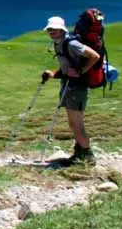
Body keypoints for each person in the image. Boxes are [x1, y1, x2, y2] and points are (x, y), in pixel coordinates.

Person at [41, 15, 102, 163]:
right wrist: (53, 74)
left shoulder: (71, 43)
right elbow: (67, 67)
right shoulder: (59, 43)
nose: (51, 32)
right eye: (50, 29)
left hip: (76, 87)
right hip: (69, 86)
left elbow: (95, 56)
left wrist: (81, 71)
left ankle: (88, 156)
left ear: (61, 30)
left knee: (77, 124)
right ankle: (80, 153)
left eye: (54, 29)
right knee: (73, 124)